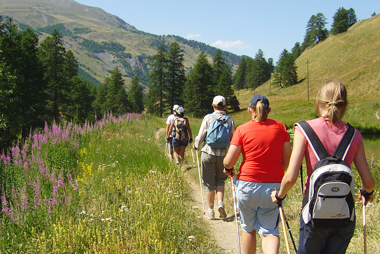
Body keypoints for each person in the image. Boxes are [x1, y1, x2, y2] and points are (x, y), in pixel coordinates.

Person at [271, 79, 375, 254]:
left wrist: (279, 195)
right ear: (346, 106)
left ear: (318, 103)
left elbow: (291, 177)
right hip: (344, 216)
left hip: (314, 215)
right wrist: (367, 193)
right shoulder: (354, 135)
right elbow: (369, 183)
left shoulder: (303, 129)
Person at [223, 94, 291, 254]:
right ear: (269, 110)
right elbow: (286, 161)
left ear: (249, 110)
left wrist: (227, 167)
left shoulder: (242, 129)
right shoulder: (281, 128)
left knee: (248, 228)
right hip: (273, 187)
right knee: (269, 232)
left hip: (247, 185)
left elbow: (229, 162)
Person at [193, 95, 235, 220]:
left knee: (208, 182)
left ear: (213, 105)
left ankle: (210, 211)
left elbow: (201, 134)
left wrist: (196, 145)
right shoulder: (230, 120)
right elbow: (234, 138)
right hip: (224, 155)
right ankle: (220, 203)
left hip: (208, 153)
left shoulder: (208, 118)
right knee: (220, 180)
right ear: (225, 106)